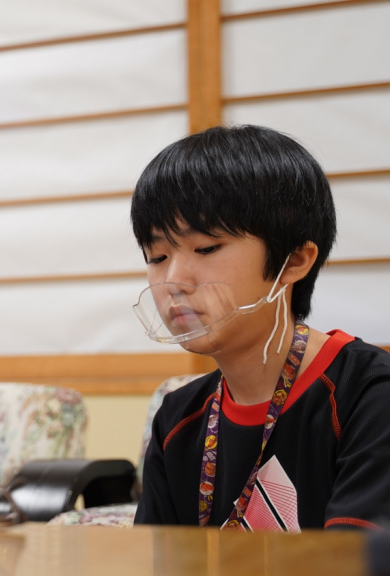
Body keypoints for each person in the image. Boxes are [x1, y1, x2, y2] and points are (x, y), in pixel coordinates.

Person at [130, 124, 390, 530]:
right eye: (157, 256)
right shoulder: (177, 419)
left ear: (294, 262)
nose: (174, 281)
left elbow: (358, 557)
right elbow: (156, 558)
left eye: (206, 248)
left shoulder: (369, 396)